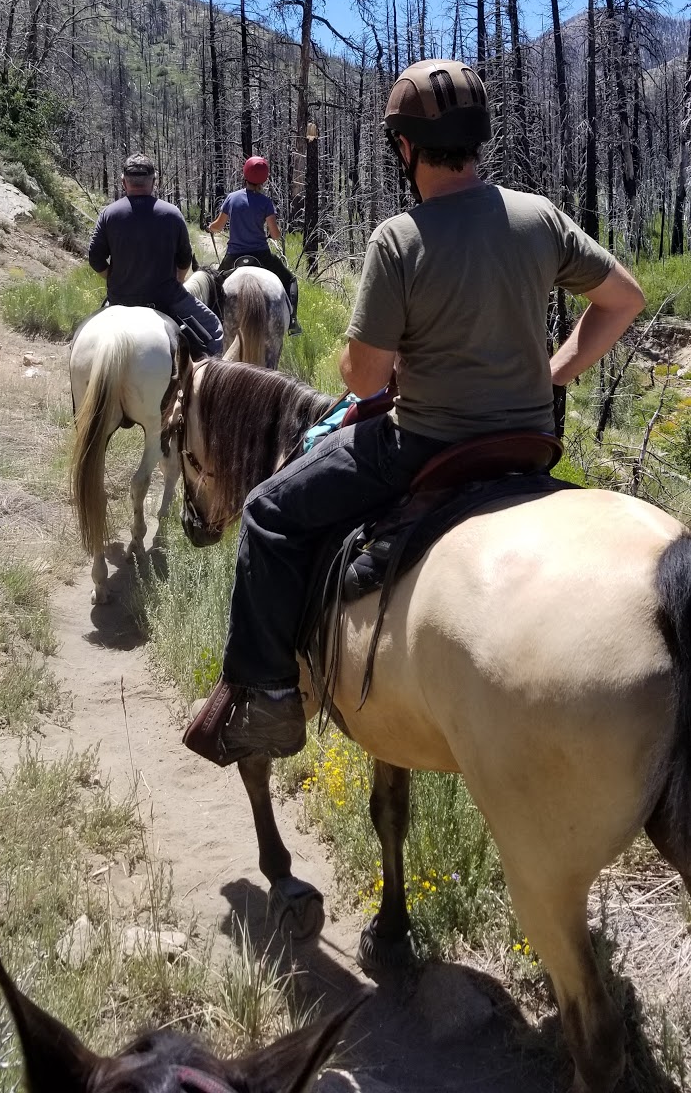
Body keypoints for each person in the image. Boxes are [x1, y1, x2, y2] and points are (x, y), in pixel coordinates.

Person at [184, 61, 645, 766]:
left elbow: (366, 378)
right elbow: (624, 300)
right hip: (529, 441)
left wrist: (352, 360)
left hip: (425, 443)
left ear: (404, 147)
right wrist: (552, 372)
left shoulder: (399, 239)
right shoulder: (539, 217)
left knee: (269, 511)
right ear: (479, 138)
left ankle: (271, 697)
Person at [88, 154, 223, 356]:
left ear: (124, 182)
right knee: (215, 331)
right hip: (166, 298)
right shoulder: (172, 214)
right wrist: (178, 282)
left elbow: (95, 258)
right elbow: (184, 259)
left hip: (120, 298)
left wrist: (114, 278)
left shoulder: (109, 214)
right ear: (154, 182)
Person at [208, 157, 302, 335]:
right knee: (290, 280)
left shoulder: (232, 198)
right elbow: (275, 234)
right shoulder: (265, 202)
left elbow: (218, 227)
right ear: (264, 180)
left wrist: (210, 227)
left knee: (213, 286)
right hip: (261, 256)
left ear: (245, 174)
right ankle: (293, 321)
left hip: (234, 256)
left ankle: (212, 324)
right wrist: (274, 233)